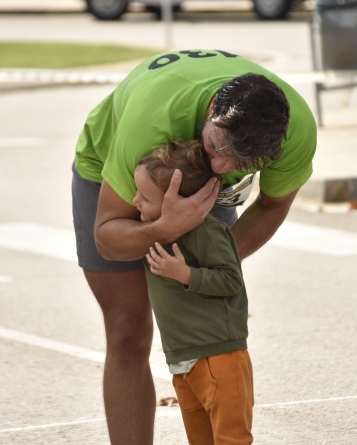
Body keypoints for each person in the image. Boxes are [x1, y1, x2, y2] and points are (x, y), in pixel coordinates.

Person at [71, 49, 316, 444]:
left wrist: (208, 261)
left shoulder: (296, 132)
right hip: (111, 167)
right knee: (127, 331)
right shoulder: (151, 121)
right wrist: (164, 228)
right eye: (217, 146)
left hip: (188, 182)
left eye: (241, 160)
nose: (220, 167)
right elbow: (108, 236)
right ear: (214, 107)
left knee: (208, 339)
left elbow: (271, 207)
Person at [135, 140, 253, 444]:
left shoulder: (208, 232)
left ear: (178, 200)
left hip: (219, 356)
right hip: (183, 360)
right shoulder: (154, 233)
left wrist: (185, 274)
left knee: (231, 439)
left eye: (145, 197)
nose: (135, 201)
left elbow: (231, 281)